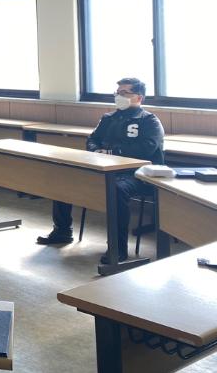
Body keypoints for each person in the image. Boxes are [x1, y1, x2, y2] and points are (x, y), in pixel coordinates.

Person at [36, 77, 164, 265]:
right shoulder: (108, 118)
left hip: (137, 174)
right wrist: (96, 150)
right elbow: (92, 139)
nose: (119, 96)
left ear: (139, 97)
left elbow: (147, 148)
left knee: (117, 189)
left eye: (124, 93)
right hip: (105, 170)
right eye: (117, 93)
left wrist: (113, 151)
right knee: (65, 177)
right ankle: (62, 231)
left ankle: (117, 248)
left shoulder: (149, 121)